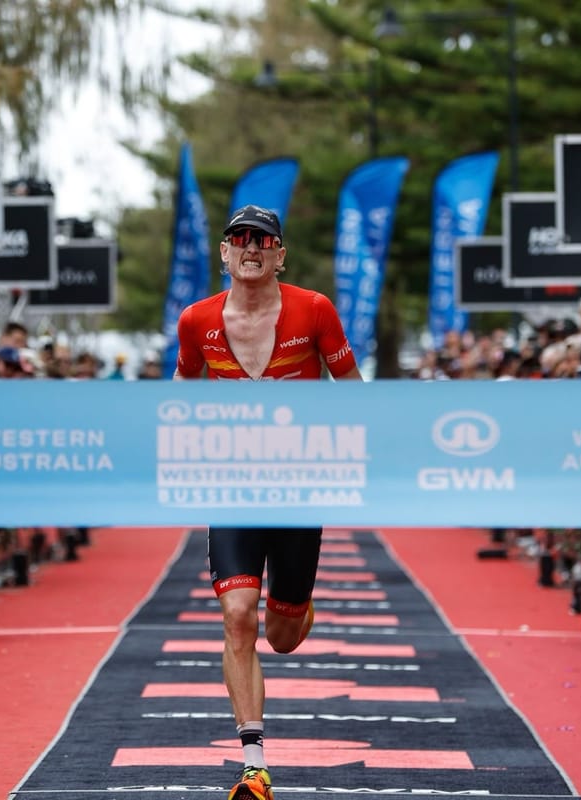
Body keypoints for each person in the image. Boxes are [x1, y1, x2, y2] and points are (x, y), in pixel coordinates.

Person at [173, 204, 362, 800]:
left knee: (282, 634)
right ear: (224, 254)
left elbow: (354, 395)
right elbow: (179, 398)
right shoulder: (195, 319)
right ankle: (253, 762)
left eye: (264, 240)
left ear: (280, 254)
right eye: (239, 239)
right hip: (231, 488)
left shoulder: (315, 309)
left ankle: (300, 604)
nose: (251, 247)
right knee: (237, 617)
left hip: (301, 487)